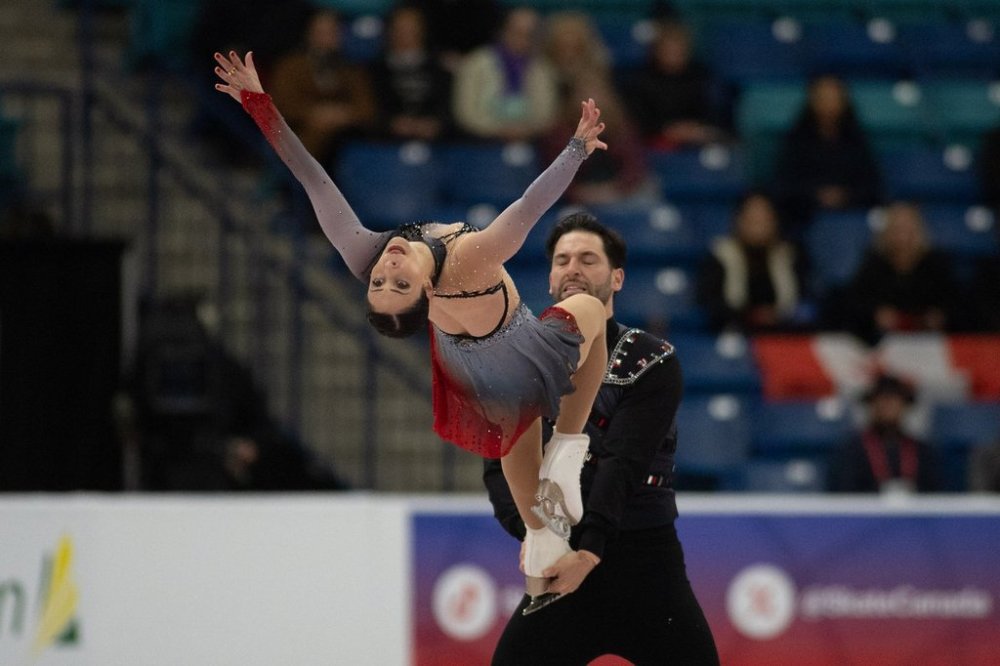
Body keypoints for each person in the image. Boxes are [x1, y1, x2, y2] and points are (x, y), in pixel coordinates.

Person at [214, 50, 609, 610]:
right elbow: (529, 206)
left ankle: (544, 543)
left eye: (379, 280)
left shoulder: (365, 252)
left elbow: (312, 177)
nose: (387, 268)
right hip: (508, 342)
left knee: (520, 454)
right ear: (425, 294)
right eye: (396, 283)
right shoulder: (471, 259)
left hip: (465, 357)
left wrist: (257, 102)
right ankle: (568, 447)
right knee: (589, 310)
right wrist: (576, 148)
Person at [484, 213, 720, 664]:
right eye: (562, 260)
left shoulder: (651, 360)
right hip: (559, 557)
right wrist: (535, 533)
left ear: (616, 277)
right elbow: (499, 465)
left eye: (588, 259)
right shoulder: (520, 364)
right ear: (551, 278)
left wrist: (588, 552)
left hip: (645, 564)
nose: (573, 267)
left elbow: (622, 461)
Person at [539, 11, 654, 206]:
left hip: (619, 196)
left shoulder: (621, 127)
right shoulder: (560, 132)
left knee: (645, 193)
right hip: (577, 199)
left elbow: (634, 169)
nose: (593, 100)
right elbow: (556, 175)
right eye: (584, 95)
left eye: (598, 93)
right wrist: (582, 195)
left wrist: (614, 191)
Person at [771, 74, 882, 236]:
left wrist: (844, 196)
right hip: (803, 218)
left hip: (852, 218)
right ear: (812, 101)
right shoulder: (796, 141)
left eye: (834, 98)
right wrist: (816, 196)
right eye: (823, 98)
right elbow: (784, 186)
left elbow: (873, 187)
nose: (828, 104)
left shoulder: (857, 141)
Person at [268, 9, 377, 166]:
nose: (326, 38)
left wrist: (341, 115)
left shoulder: (351, 69)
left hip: (344, 139)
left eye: (332, 32)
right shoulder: (291, 66)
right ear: (309, 34)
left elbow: (367, 108)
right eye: (321, 32)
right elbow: (281, 105)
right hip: (300, 136)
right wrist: (315, 113)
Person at [842, 201, 959, 344]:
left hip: (931, 345)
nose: (903, 236)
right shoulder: (874, 263)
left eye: (909, 229)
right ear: (887, 232)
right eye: (897, 229)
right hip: (882, 344)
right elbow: (856, 303)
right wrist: (875, 314)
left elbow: (955, 303)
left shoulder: (936, 263)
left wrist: (939, 316)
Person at [696, 190, 806, 333]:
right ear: (739, 220)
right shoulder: (720, 255)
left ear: (775, 221)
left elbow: (804, 304)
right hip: (733, 336)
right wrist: (750, 316)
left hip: (784, 337)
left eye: (764, 218)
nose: (758, 225)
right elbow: (710, 304)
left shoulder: (790, 256)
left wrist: (778, 316)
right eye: (752, 219)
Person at [451, 6, 557, 142]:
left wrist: (525, 129)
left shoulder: (542, 68)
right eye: (517, 32)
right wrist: (499, 129)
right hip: (481, 142)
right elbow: (466, 112)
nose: (523, 39)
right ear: (503, 31)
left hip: (531, 141)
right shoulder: (476, 63)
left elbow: (547, 114)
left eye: (529, 34)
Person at [828, 373, 941, 493]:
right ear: (871, 405)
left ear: (905, 406)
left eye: (894, 400)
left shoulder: (922, 451)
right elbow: (843, 492)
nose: (887, 406)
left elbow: (937, 494)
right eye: (882, 399)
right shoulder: (852, 449)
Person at [624, 19, 723, 151]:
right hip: (652, 144)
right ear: (657, 50)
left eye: (678, 49)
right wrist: (667, 131)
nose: (673, 54)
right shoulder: (640, 80)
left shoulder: (702, 77)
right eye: (668, 49)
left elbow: (714, 115)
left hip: (696, 141)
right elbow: (636, 121)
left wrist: (692, 130)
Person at [369, 4, 453, 142]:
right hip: (385, 141)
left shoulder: (440, 69)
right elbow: (370, 109)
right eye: (400, 28)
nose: (405, 33)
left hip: (437, 142)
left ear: (422, 30)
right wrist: (390, 123)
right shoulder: (375, 70)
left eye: (411, 28)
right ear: (390, 31)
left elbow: (449, 110)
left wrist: (435, 124)